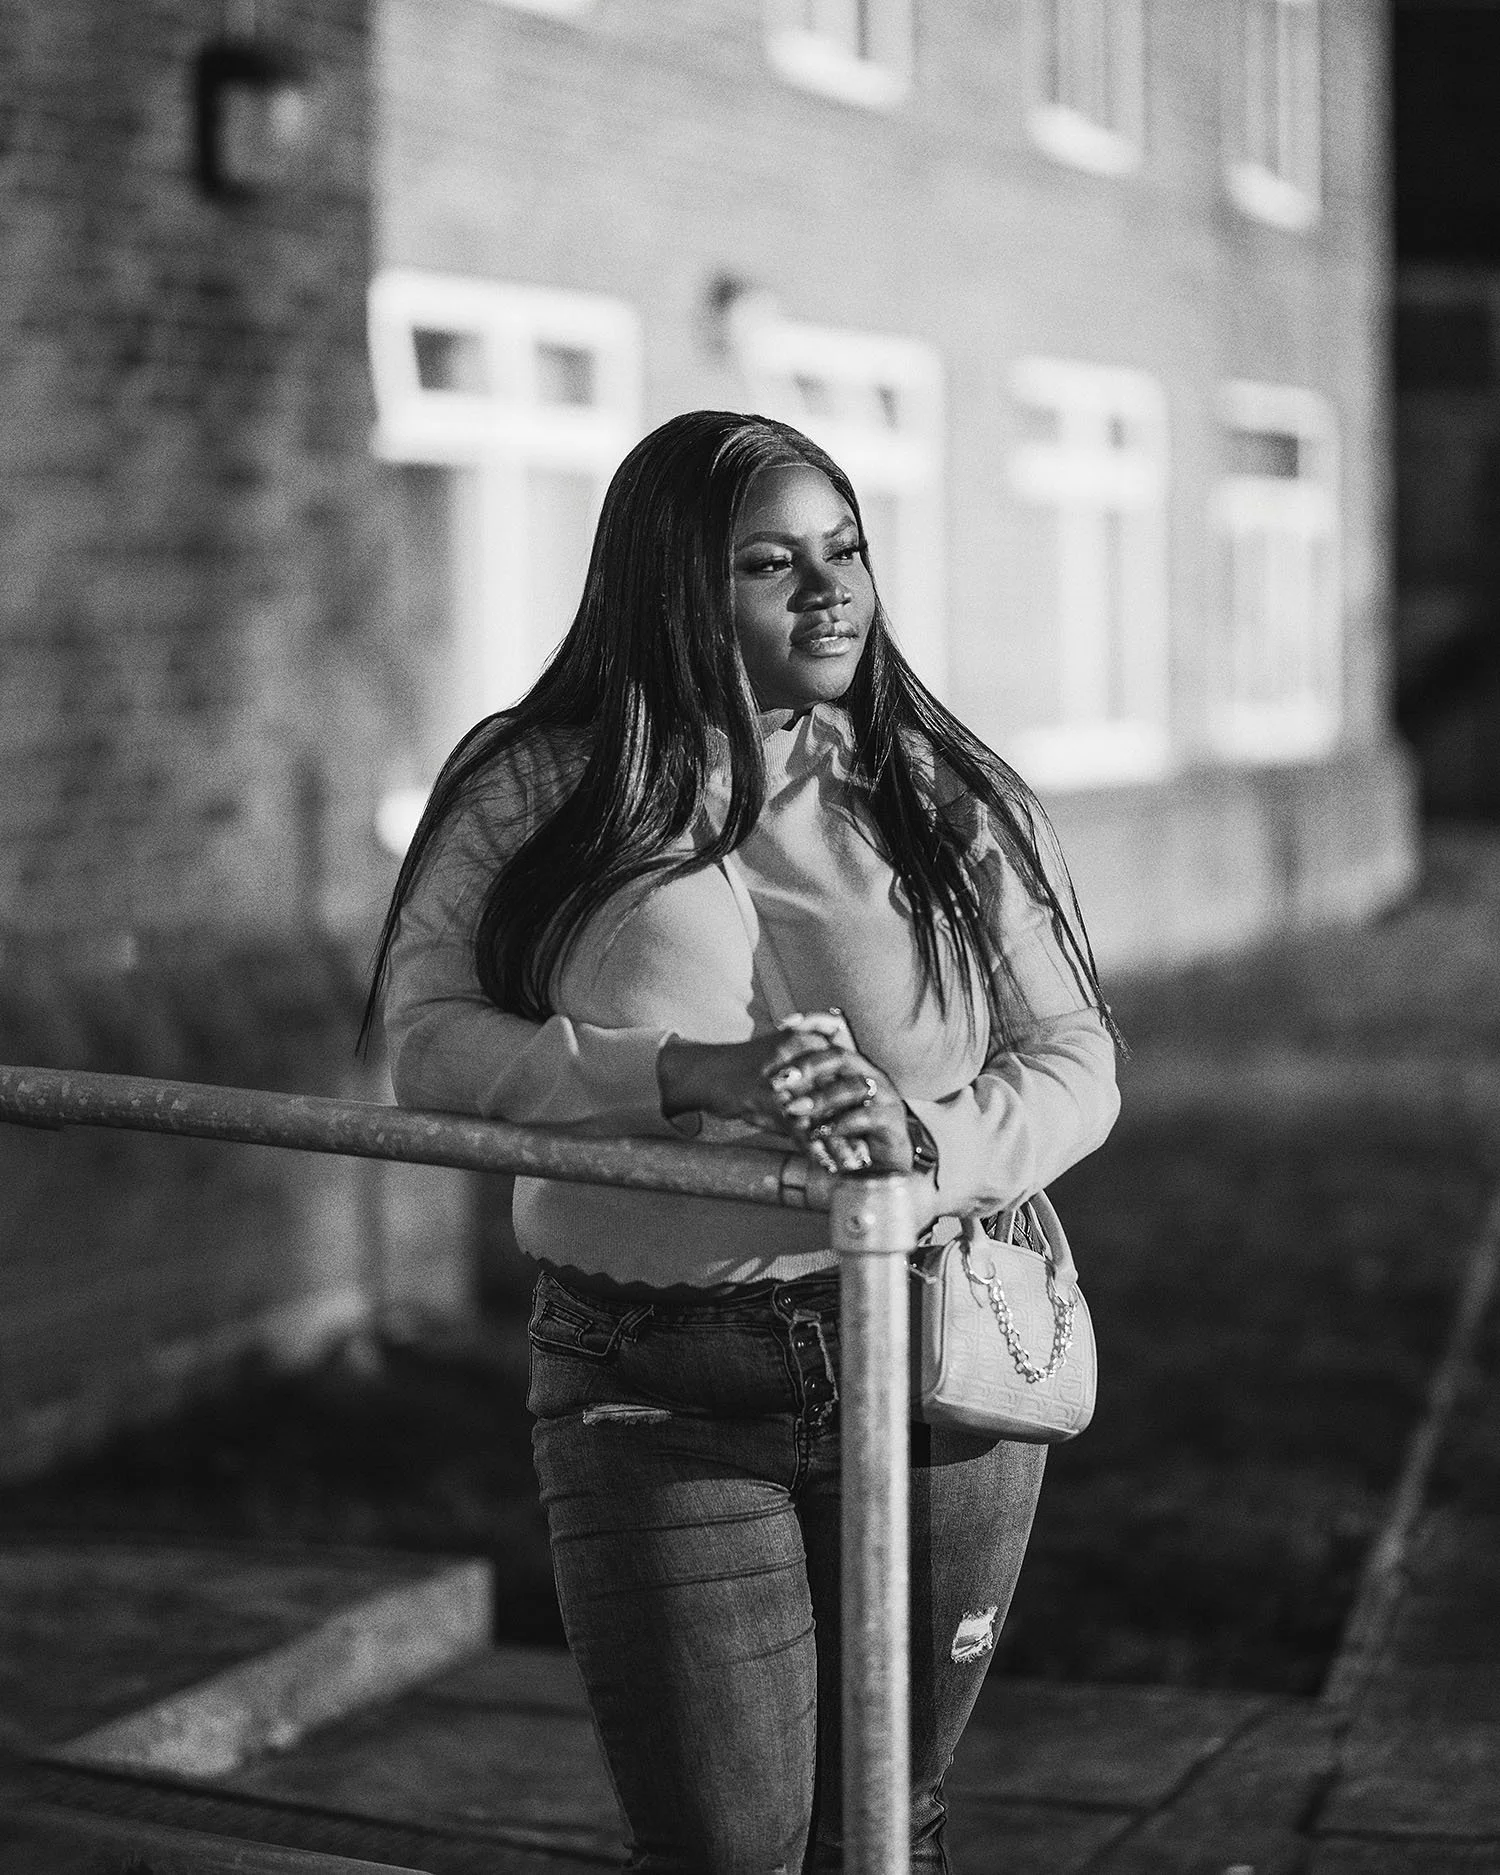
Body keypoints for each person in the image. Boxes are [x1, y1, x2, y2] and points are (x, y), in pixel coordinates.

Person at [363, 409, 1121, 1873]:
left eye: (845, 551)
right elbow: (430, 1047)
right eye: (775, 564)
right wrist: (687, 1075)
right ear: (672, 591)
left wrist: (929, 1139)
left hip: (937, 1357)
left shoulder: (940, 790)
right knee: (726, 1849)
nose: (831, 590)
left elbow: (1076, 1060)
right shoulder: (532, 785)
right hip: (654, 1379)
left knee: (887, 1826)